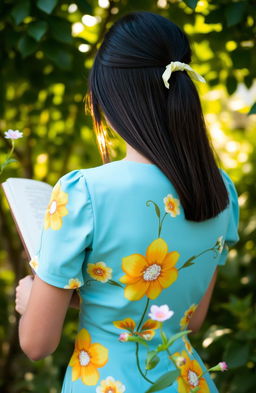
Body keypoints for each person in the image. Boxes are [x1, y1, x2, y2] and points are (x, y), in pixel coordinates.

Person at [15, 11, 239, 393]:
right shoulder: (221, 189)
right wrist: (88, 302)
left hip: (105, 383)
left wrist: (32, 301)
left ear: (112, 99)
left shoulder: (84, 191)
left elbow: (37, 344)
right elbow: (189, 319)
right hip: (186, 382)